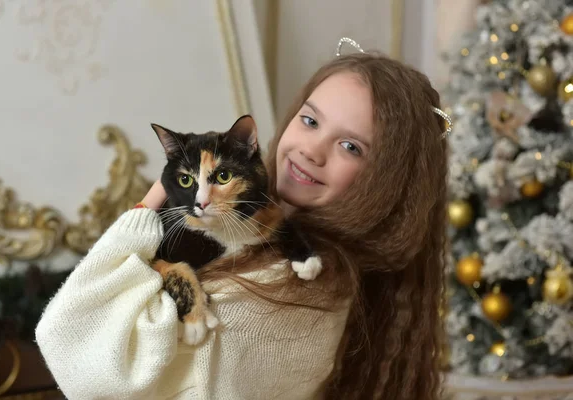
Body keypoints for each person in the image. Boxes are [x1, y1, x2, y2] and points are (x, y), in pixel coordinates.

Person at [35, 39, 449, 400]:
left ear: (387, 182)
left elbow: (67, 343)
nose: (311, 150)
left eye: (350, 146)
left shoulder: (289, 292)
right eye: (309, 120)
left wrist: (145, 209)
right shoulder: (274, 241)